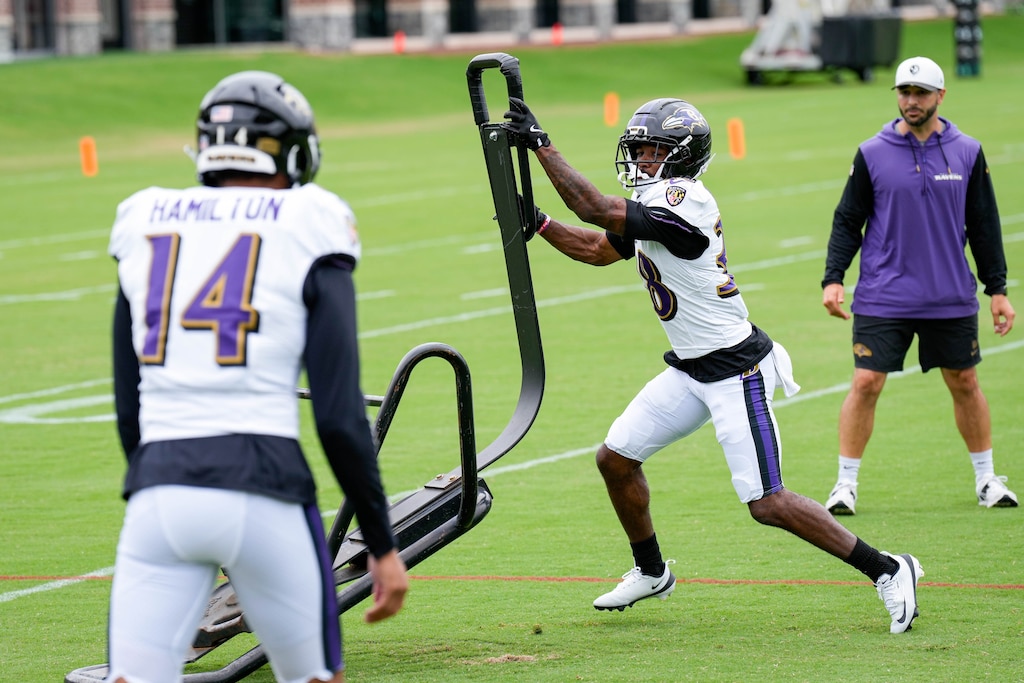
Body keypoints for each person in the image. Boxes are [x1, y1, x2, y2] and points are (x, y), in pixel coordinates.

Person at [502, 95, 923, 633]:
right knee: (616, 459)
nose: (641, 159)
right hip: (691, 367)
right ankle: (652, 571)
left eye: (652, 150)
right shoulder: (658, 200)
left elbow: (593, 207)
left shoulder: (683, 203)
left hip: (735, 369)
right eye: (640, 149)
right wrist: (537, 222)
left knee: (767, 502)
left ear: (681, 156)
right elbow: (595, 247)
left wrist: (541, 144)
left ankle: (888, 569)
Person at [106, 71, 408, 683]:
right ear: (289, 148)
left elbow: (128, 400)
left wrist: (156, 483)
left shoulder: (144, 217)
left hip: (160, 492)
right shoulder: (310, 217)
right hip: (263, 484)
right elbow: (337, 412)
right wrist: (380, 541)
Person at [821, 56, 1017, 516]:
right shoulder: (872, 152)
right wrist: (834, 278)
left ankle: (987, 478)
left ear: (940, 97)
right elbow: (848, 221)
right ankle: (844, 485)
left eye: (920, 93)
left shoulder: (968, 151)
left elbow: (984, 224)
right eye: (904, 92)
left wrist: (998, 290)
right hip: (883, 294)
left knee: (965, 381)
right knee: (866, 382)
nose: (911, 101)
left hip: (949, 294)